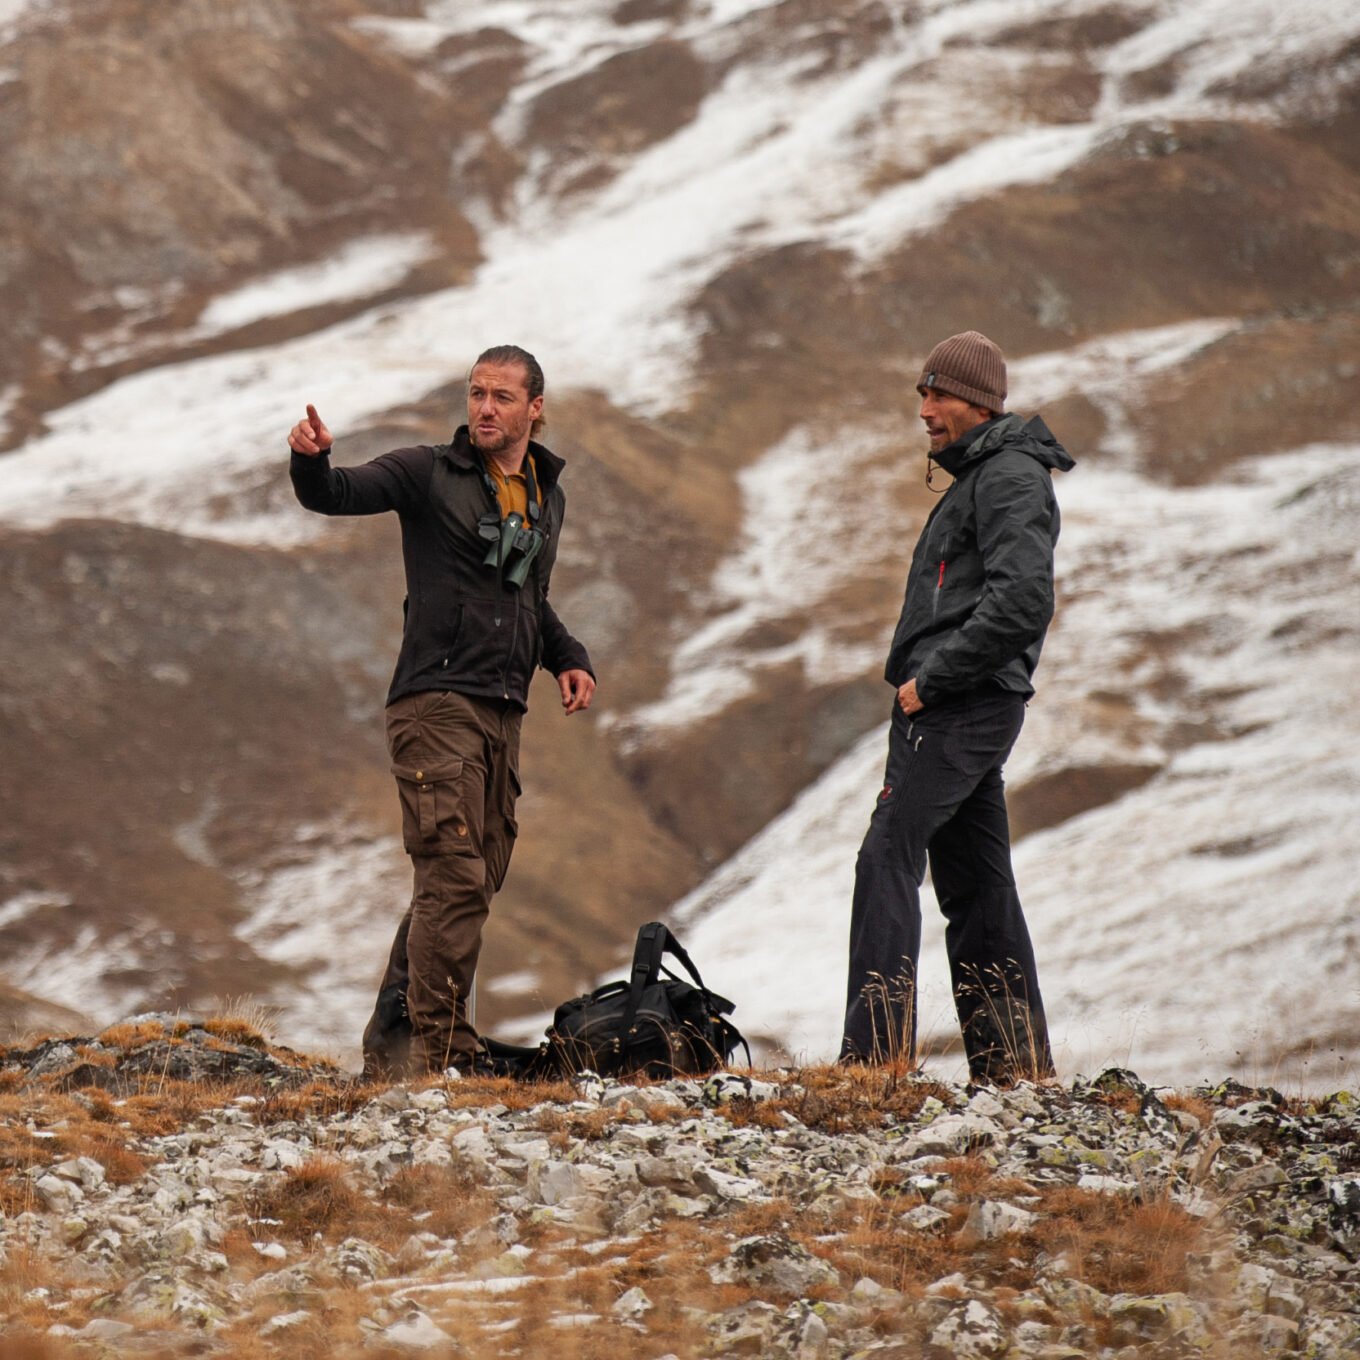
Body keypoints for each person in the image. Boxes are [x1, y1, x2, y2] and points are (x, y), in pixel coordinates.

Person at [288, 344, 595, 1079]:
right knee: (453, 873)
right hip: (435, 703)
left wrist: (569, 655)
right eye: (476, 394)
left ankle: (393, 1053)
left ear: (534, 408)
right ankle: (444, 1059)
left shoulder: (546, 496)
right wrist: (311, 461)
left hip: (501, 712)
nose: (485, 408)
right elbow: (334, 493)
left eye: (501, 397)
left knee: (466, 880)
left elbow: (528, 597)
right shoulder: (426, 473)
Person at [841, 330, 1073, 1083]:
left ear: (975, 401)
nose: (924, 410)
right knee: (976, 884)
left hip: (958, 704)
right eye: (921, 394)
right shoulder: (988, 474)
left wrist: (931, 681)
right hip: (970, 702)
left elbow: (1024, 600)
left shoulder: (1005, 475)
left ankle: (874, 1065)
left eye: (935, 394)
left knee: (887, 857)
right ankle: (1015, 1068)